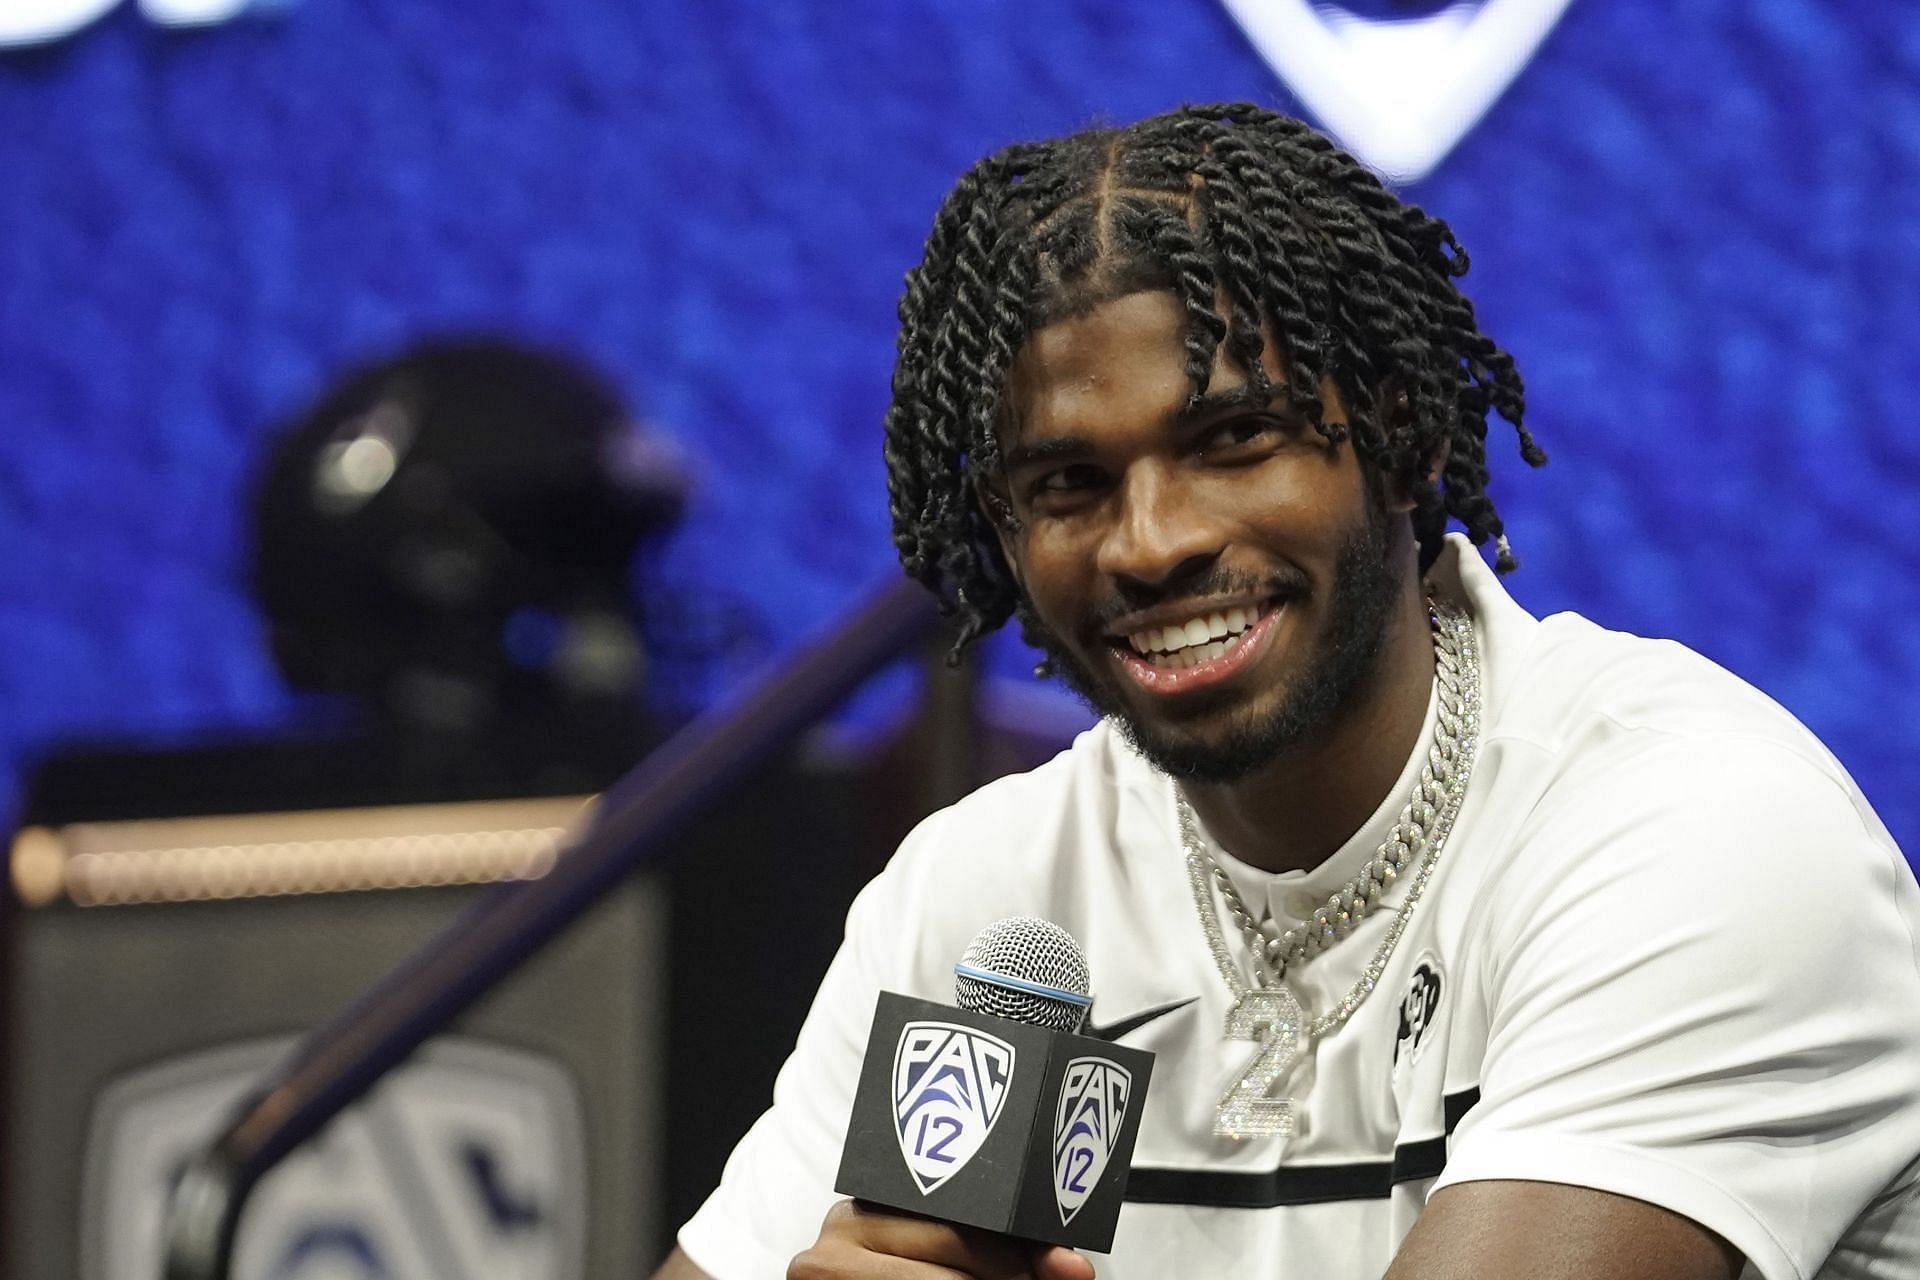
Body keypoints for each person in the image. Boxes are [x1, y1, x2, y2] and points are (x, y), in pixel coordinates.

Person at [656, 104, 1920, 1279]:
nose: (1149, 542)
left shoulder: (1688, 828)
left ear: (1408, 435)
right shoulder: (1001, 905)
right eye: (1068, 485)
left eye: (1233, 441)